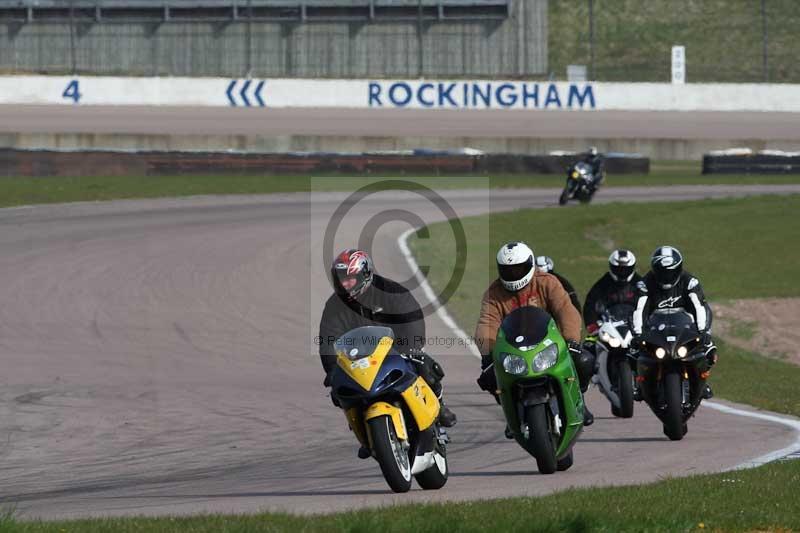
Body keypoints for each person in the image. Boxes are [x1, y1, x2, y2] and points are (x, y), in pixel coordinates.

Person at [318, 249, 457, 443]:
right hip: (361, 361)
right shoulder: (334, 306)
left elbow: (412, 318)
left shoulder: (390, 291)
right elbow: (327, 339)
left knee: (425, 366)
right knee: (340, 390)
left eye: (350, 278)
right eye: (341, 278)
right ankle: (365, 432)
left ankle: (438, 405)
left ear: (365, 274)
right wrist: (332, 369)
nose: (345, 283)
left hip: (397, 351)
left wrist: (411, 347)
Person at [474, 241, 595, 426]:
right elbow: (486, 324)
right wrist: (489, 354)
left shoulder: (547, 282)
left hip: (549, 344)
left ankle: (578, 397)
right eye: (508, 270)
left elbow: (566, 310)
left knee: (584, 360)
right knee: (489, 377)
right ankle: (512, 413)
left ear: (530, 264)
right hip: (514, 351)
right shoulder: (494, 293)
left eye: (519, 268)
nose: (514, 274)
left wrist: (571, 341)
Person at [631, 245, 716, 399]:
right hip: (656, 328)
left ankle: (702, 381)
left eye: (670, 272)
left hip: (686, 326)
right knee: (633, 353)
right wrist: (638, 334)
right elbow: (638, 310)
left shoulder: (690, 282)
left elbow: (700, 307)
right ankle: (640, 385)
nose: (666, 276)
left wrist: (703, 332)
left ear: (678, 268)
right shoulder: (644, 284)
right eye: (662, 272)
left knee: (709, 350)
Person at [583, 249, 642, 335]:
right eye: (619, 269)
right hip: (609, 329)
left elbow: (649, 304)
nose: (622, 273)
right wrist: (592, 326)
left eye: (626, 269)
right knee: (589, 344)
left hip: (635, 327)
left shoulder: (640, 284)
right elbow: (590, 305)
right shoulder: (602, 284)